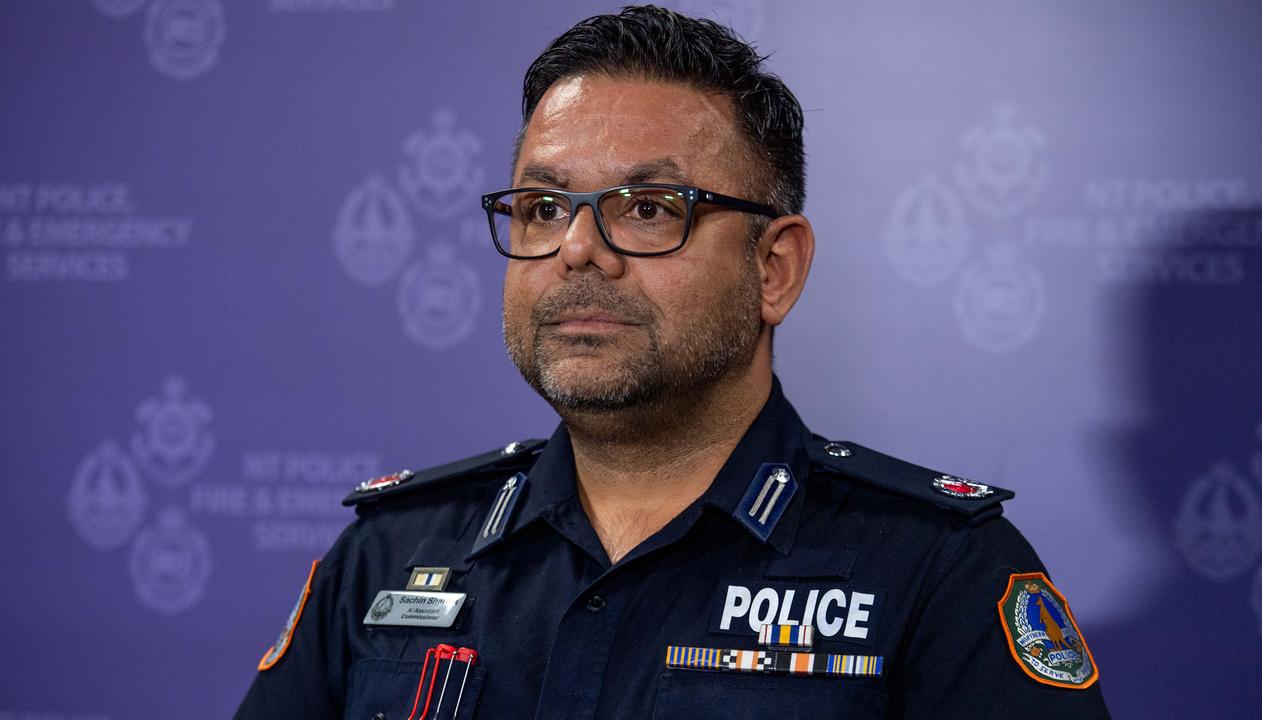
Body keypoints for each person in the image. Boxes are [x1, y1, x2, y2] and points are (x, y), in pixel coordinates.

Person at [236, 6, 1111, 718]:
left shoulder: (939, 571)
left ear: (774, 269)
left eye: (649, 209)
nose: (577, 249)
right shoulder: (390, 556)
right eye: (542, 206)